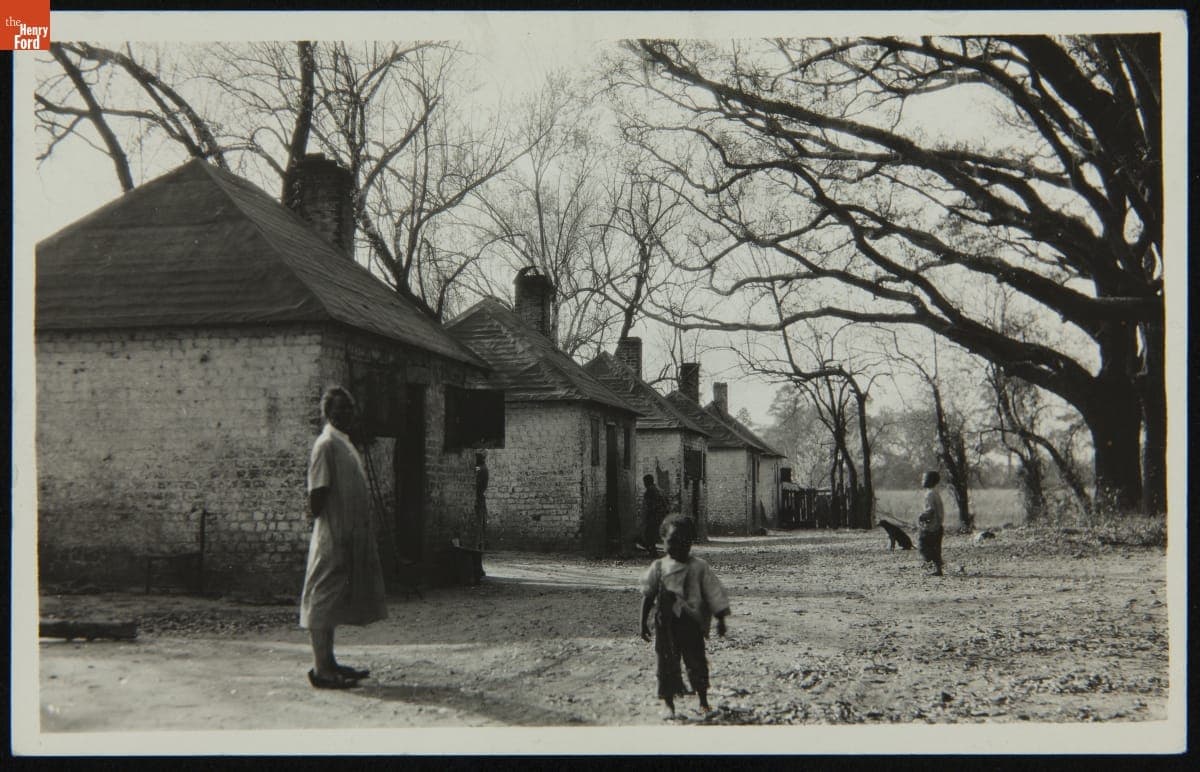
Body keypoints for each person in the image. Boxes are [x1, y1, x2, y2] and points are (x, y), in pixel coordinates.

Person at [299, 386, 388, 689]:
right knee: (322, 597)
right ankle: (321, 669)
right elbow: (317, 496)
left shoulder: (343, 442)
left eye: (349, 409)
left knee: (334, 597)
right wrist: (335, 524)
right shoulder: (325, 444)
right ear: (327, 412)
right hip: (332, 535)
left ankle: (330, 661)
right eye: (339, 410)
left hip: (346, 534)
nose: (345, 414)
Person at [639, 515, 731, 719]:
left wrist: (720, 618)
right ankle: (669, 704)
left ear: (690, 543)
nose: (678, 548)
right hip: (665, 626)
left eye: (684, 542)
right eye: (672, 542)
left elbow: (713, 592)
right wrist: (643, 623)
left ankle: (703, 700)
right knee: (666, 665)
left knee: (696, 661)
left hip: (691, 625)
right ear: (663, 540)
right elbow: (648, 594)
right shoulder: (658, 567)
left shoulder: (699, 567)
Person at [917, 470, 946, 577]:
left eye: (924, 479)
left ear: (930, 481)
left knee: (922, 546)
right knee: (936, 547)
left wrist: (922, 517)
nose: (922, 481)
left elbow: (930, 510)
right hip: (938, 526)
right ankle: (938, 568)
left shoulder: (929, 494)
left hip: (931, 527)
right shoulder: (935, 493)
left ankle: (930, 559)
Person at [639, 474, 670, 557]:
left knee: (648, 534)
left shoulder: (649, 491)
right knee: (652, 534)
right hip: (661, 516)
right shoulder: (659, 490)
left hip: (654, 516)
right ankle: (653, 551)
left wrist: (644, 518)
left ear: (647, 482)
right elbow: (667, 503)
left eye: (644, 482)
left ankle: (653, 552)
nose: (644, 484)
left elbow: (648, 506)